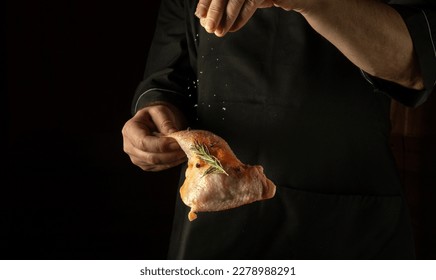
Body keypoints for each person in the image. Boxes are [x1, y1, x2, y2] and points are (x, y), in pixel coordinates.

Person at [122, 0, 436, 259]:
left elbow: (414, 65)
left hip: (346, 223)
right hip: (211, 225)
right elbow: (170, 74)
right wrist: (156, 111)